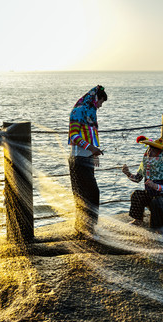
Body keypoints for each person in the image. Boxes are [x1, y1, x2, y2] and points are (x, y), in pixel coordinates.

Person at [68, 85, 107, 239]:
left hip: (87, 159)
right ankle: (86, 229)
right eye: (101, 102)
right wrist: (91, 149)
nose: (100, 106)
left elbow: (91, 135)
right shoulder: (78, 111)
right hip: (78, 159)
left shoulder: (91, 112)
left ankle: (85, 228)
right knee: (90, 193)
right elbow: (74, 136)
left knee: (85, 195)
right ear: (95, 98)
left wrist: (94, 154)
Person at [122, 136, 163, 233]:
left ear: (159, 154)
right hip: (150, 194)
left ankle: (158, 227)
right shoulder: (146, 164)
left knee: (156, 202)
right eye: (149, 150)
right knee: (136, 194)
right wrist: (128, 173)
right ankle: (138, 220)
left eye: (152, 151)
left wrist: (155, 186)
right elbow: (137, 179)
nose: (149, 153)